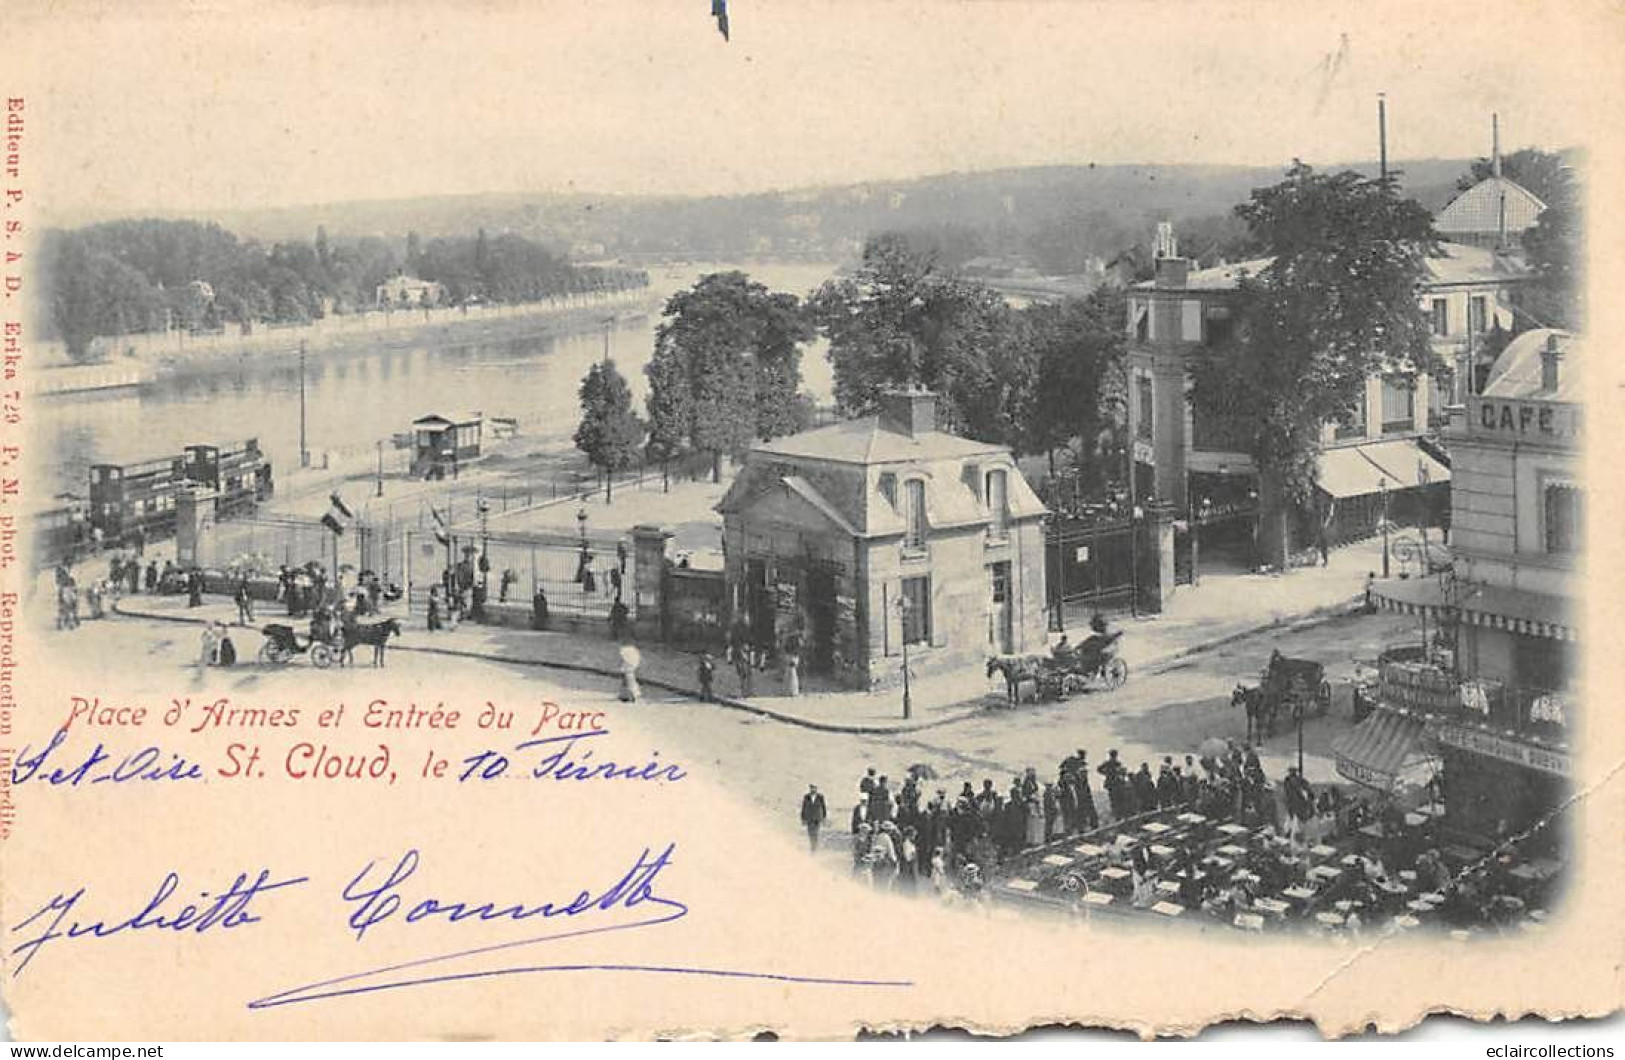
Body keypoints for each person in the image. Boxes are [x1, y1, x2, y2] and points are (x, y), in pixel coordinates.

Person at [800, 784, 828, 852]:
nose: (813, 790)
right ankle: (812, 845)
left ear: (816, 789)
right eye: (811, 788)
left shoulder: (820, 797)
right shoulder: (806, 797)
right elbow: (803, 807)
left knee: (816, 832)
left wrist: (824, 817)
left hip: (817, 818)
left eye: (814, 788)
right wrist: (803, 818)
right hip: (809, 818)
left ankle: (814, 847)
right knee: (810, 833)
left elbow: (824, 807)